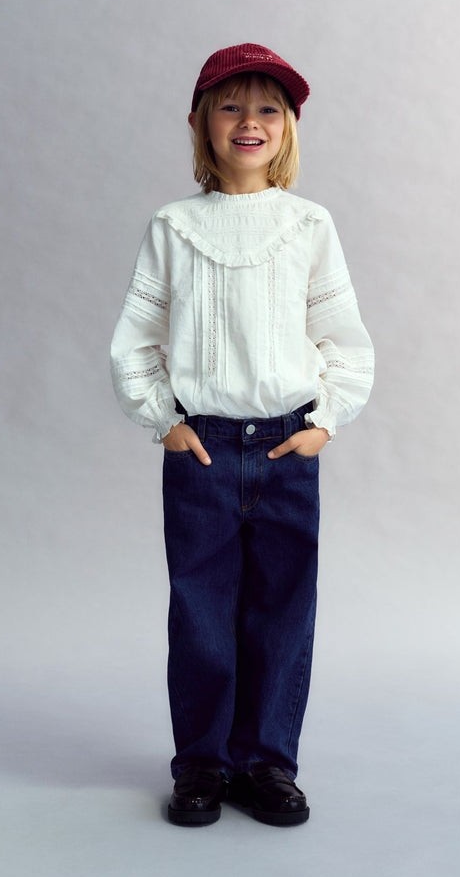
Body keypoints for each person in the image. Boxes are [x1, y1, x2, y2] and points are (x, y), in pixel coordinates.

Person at [110, 43, 374, 827]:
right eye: (230, 106)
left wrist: (325, 422)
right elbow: (137, 341)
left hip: (288, 446)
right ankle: (201, 766)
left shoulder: (308, 224)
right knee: (201, 613)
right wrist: (164, 420)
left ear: (287, 127)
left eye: (267, 109)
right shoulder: (174, 226)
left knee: (281, 613)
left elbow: (342, 337)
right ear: (201, 123)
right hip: (205, 449)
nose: (248, 122)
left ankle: (266, 765)